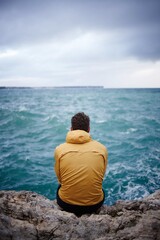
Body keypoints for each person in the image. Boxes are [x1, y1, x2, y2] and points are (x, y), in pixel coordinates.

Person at [54, 112, 108, 216]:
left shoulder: (59, 150)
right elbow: (101, 177)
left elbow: (60, 179)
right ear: (89, 129)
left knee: (60, 186)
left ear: (71, 129)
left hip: (67, 204)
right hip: (94, 205)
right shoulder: (102, 149)